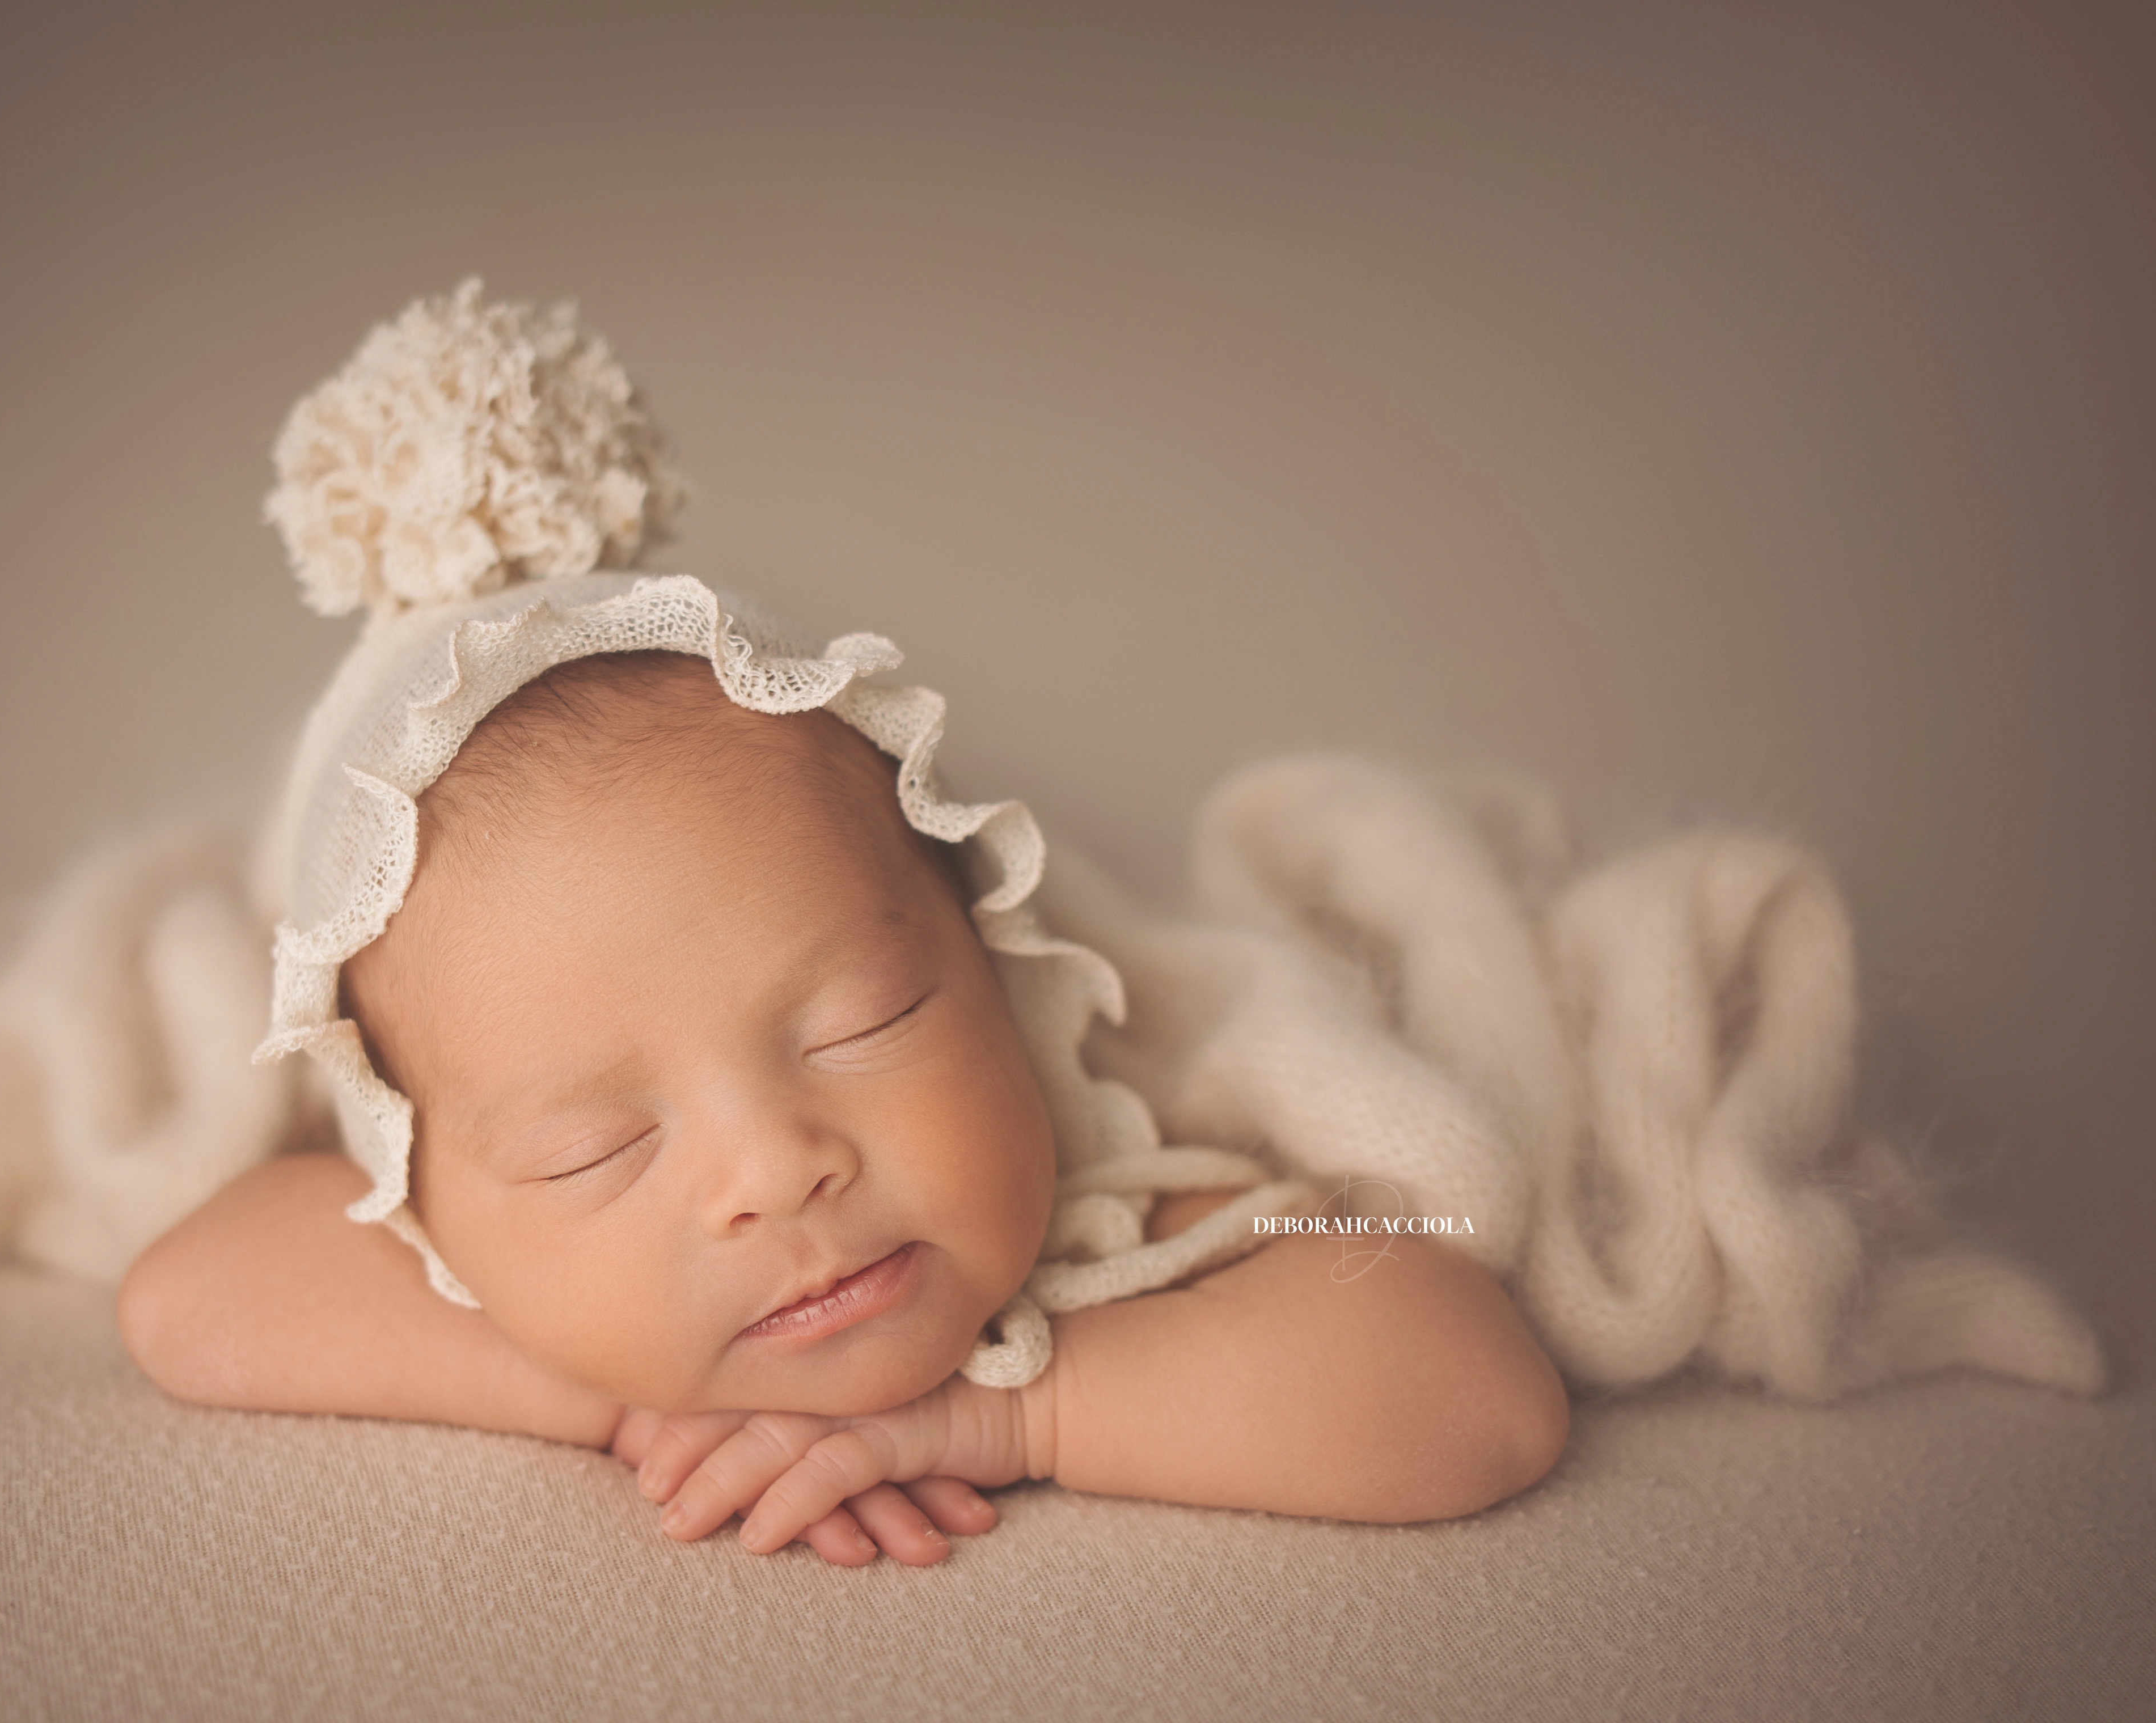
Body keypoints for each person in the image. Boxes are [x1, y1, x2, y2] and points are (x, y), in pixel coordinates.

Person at [111, 285, 1570, 1567]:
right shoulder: (450, 1243)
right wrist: (629, 1392)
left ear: (994, 961)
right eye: (593, 1149)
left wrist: (1011, 1409)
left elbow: (1474, 1395)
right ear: (421, 1202)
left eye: (865, 1022)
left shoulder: (1110, 1187)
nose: (776, 1171)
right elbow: (191, 1298)